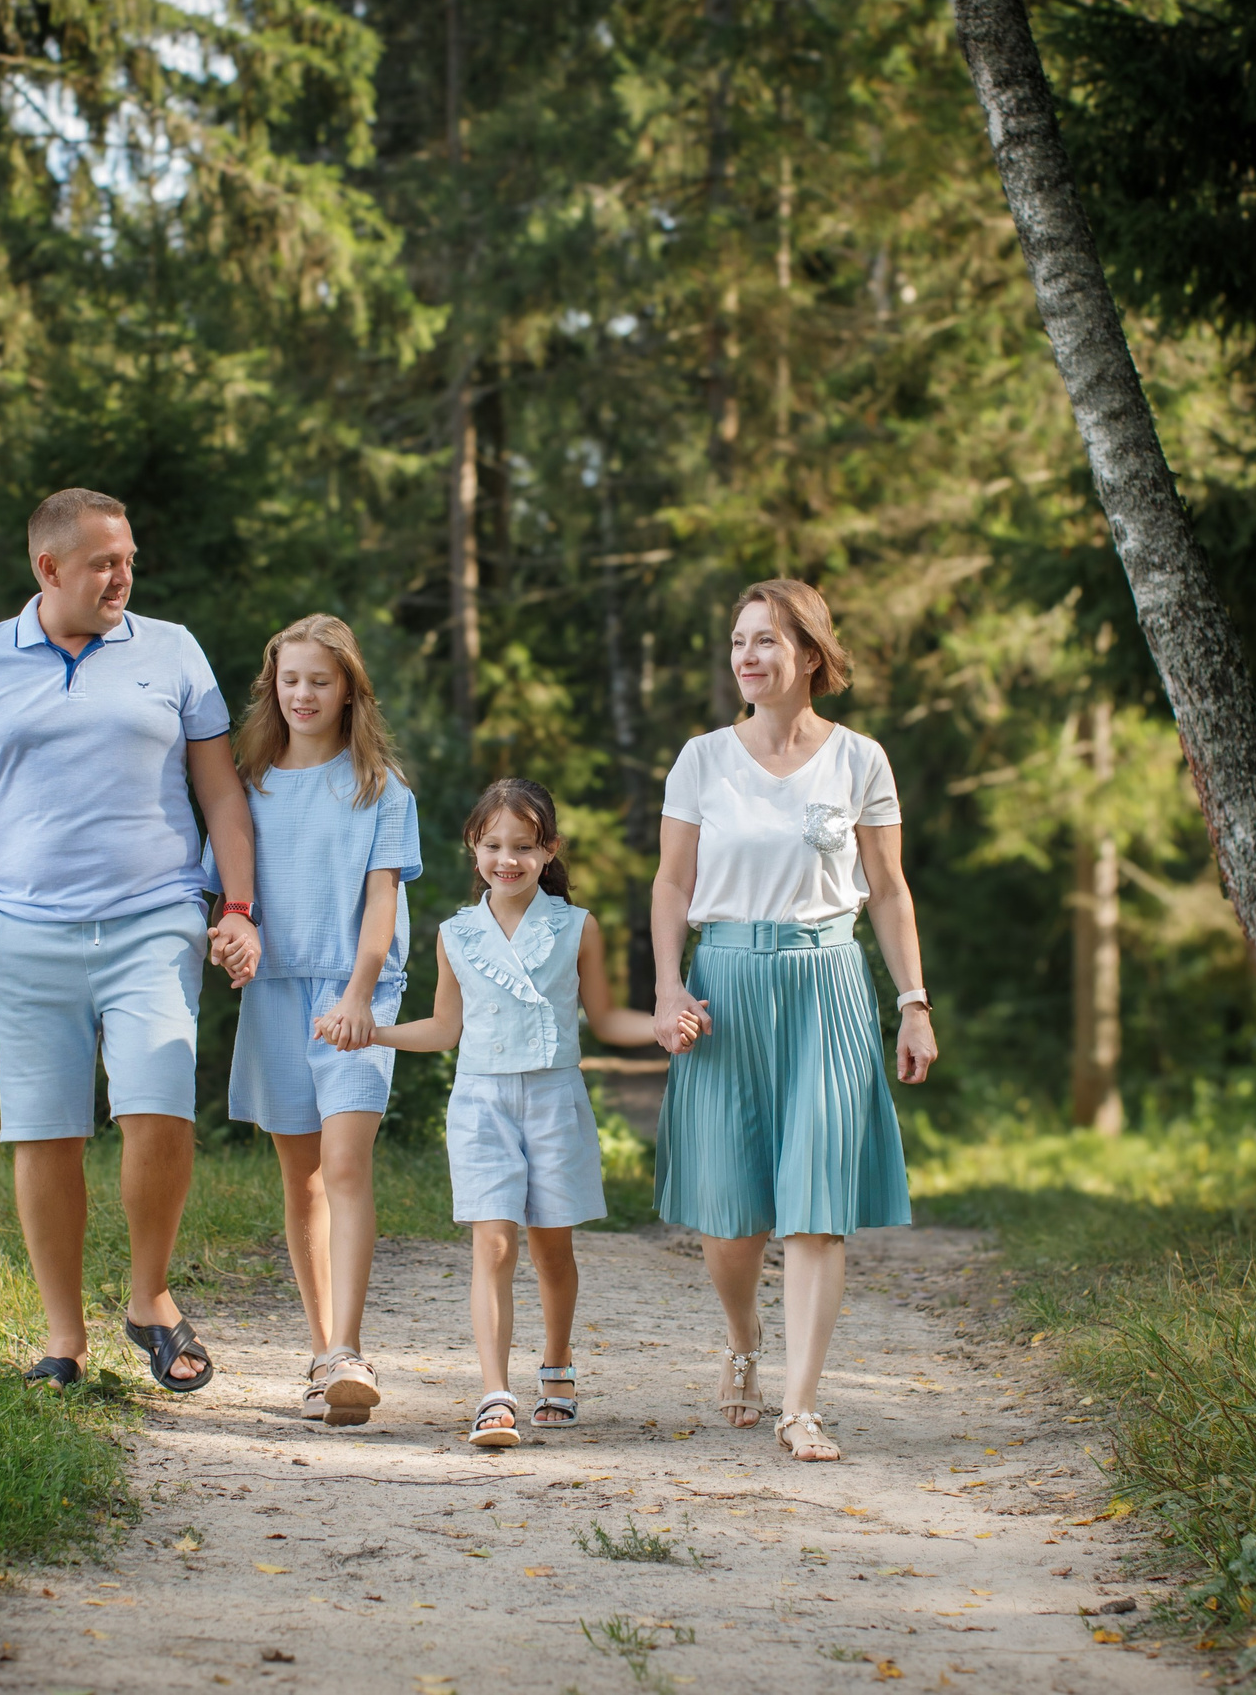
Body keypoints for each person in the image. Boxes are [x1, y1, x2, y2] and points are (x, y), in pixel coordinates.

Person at [0, 488, 261, 1395]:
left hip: (153, 920)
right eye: (105, 562)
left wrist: (238, 905)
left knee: (160, 1107)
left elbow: (221, 793)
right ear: (47, 567)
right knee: (46, 1133)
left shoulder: (171, 650)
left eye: (129, 559)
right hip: (22, 934)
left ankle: (149, 1299)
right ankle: (63, 1341)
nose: (123, 577)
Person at [650, 578, 937, 1463]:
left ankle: (801, 1407)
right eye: (740, 641)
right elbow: (671, 884)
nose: (748, 656)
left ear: (810, 654)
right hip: (724, 989)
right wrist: (668, 987)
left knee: (818, 1207)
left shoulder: (860, 759)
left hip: (829, 985)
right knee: (734, 1219)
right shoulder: (701, 758)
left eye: (767, 640)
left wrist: (913, 1003)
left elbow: (887, 891)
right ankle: (743, 1340)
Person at [350, 780, 661, 1447]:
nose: (507, 859)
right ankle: (495, 1394)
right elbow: (443, 1028)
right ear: (473, 847)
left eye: (523, 846)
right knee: (492, 1243)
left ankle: (556, 1367)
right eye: (493, 845)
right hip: (481, 1101)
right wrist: (375, 1031)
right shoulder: (457, 934)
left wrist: (665, 1024)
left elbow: (605, 1017)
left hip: (554, 1100)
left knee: (553, 1250)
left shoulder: (577, 927)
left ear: (549, 850)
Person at [218, 615, 423, 1426]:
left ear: (348, 691)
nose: (303, 694)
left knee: (345, 1164)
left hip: (355, 994)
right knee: (299, 1175)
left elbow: (382, 906)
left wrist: (357, 997)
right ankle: (319, 1357)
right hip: (275, 993)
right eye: (290, 679)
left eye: (320, 680)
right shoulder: (247, 785)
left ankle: (348, 1349)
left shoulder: (382, 790)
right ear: (274, 686)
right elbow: (231, 896)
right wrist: (230, 940)